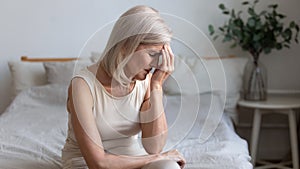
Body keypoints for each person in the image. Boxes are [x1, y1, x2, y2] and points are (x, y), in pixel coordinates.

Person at [61, 5, 185, 169]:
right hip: (86, 164)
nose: (157, 64)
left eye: (160, 56)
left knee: (168, 167)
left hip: (132, 159)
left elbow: (154, 147)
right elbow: (98, 163)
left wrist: (156, 86)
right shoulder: (82, 85)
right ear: (126, 46)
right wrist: (159, 157)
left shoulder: (145, 81)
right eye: (152, 54)